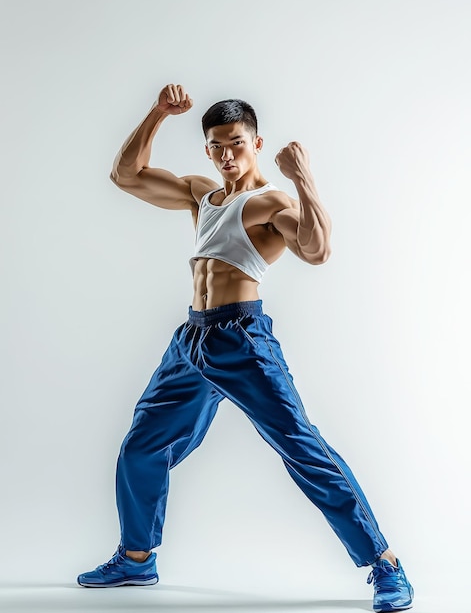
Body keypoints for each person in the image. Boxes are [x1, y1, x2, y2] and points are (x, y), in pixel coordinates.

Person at [77, 84, 413, 612]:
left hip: (242, 339)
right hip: (191, 340)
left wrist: (302, 177)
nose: (226, 154)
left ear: (256, 143)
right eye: (216, 145)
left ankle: (386, 565)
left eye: (235, 142)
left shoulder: (270, 202)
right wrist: (159, 113)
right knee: (141, 446)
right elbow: (126, 176)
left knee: (301, 448)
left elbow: (317, 252)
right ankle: (137, 559)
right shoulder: (202, 194)